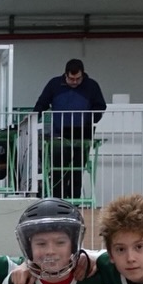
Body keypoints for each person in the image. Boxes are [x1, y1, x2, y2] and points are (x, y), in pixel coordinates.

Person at [33, 58, 106, 198]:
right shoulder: (54, 84)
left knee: (77, 168)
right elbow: (42, 103)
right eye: (71, 79)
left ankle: (75, 198)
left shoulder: (92, 86)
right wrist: (34, 119)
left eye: (78, 79)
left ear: (82, 75)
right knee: (57, 167)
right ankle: (57, 198)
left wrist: (89, 120)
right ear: (65, 75)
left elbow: (100, 106)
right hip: (58, 134)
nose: (74, 82)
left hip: (83, 134)